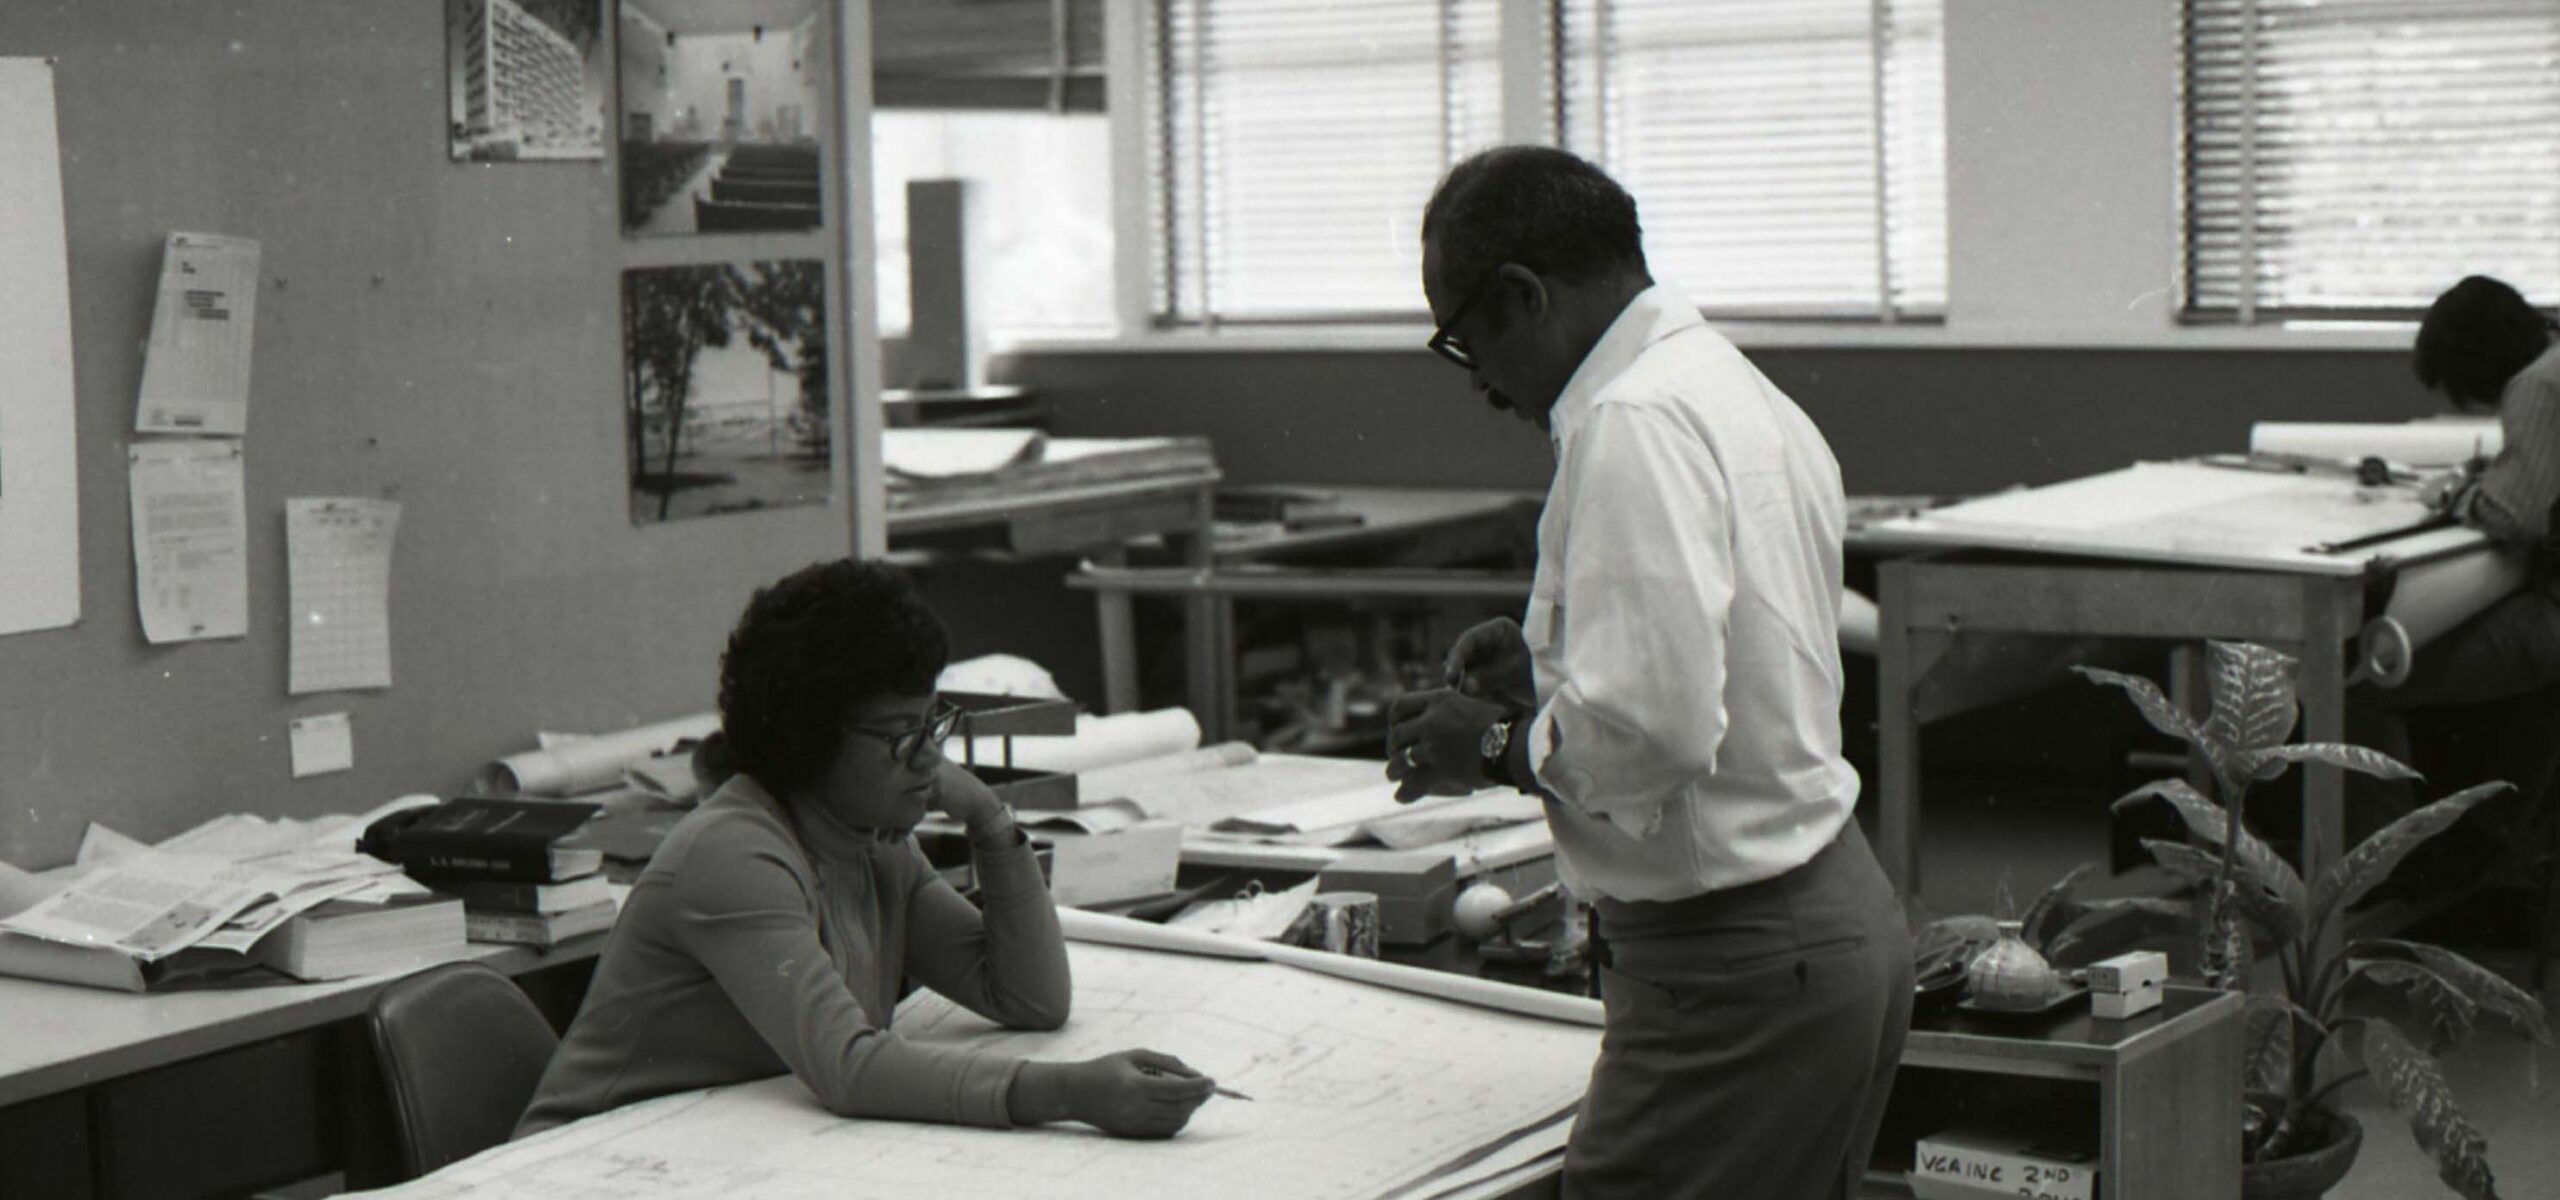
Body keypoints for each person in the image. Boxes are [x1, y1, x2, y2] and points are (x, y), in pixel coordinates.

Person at [1381, 146, 1911, 1200]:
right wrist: (1556, 666)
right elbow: (1734, 663)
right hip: (1826, 916)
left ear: (1523, 295)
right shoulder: (1722, 383)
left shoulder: (1630, 422)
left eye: (1463, 338)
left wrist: (1487, 747)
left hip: (1734, 965)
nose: (1478, 382)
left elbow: (1658, 731)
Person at [517, 559, 1216, 1139]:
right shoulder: (733, 854)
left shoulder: (873, 845)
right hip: (586, 1163)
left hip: (719, 1148)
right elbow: (849, 1067)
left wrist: (991, 821)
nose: (928, 760)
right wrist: (1072, 1094)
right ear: (810, 738)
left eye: (932, 725)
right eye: (900, 735)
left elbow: (1029, 997)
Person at [2354, 276, 2560, 867]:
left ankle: (2384, 870)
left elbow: (2513, 516)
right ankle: (2494, 848)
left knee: (2368, 686)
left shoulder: (2537, 385)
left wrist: (2453, 494)